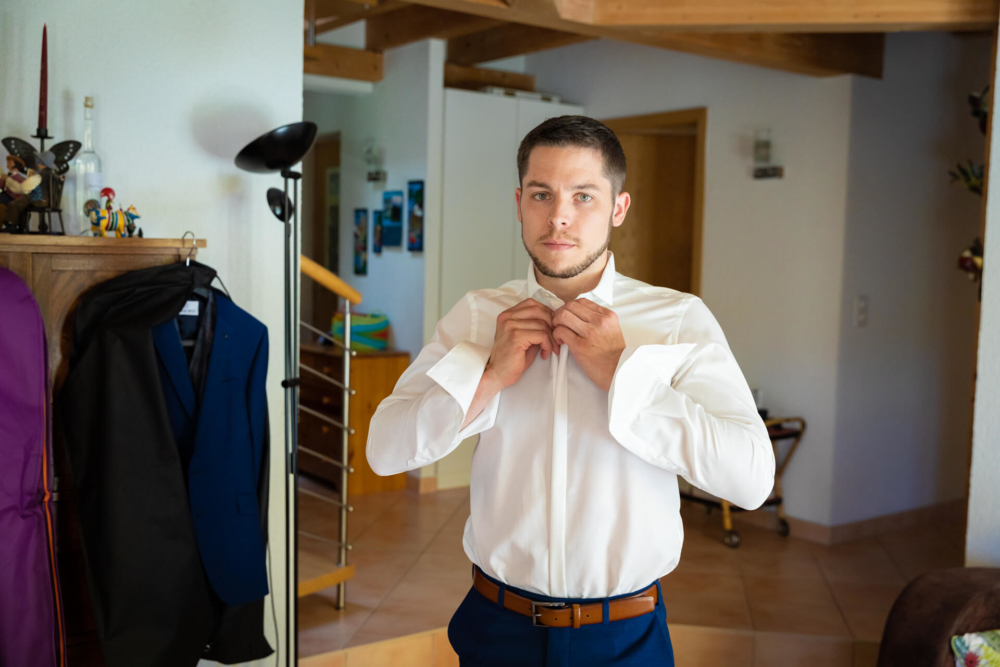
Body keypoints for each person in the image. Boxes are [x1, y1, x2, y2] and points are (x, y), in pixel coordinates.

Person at [367, 115, 775, 666]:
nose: (559, 216)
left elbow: (750, 480)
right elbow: (384, 450)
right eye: (542, 194)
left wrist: (622, 375)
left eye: (583, 195)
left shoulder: (678, 320)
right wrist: (486, 378)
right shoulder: (477, 315)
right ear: (519, 203)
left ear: (618, 208)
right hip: (496, 630)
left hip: (624, 638)